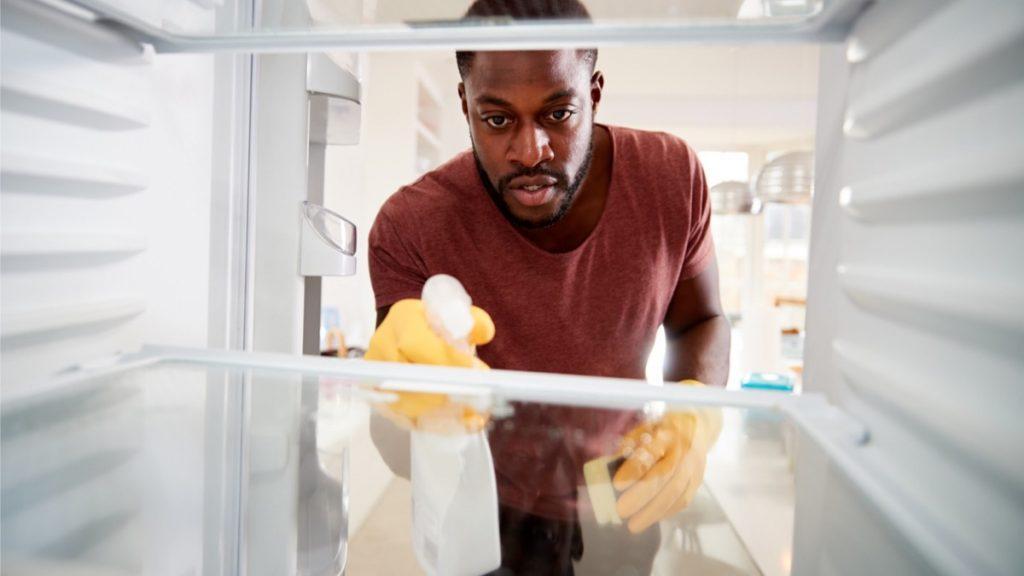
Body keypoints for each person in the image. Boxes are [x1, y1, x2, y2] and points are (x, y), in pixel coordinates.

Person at [365, 1, 729, 573]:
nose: (531, 150)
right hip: (490, 502)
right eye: (498, 119)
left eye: (558, 114)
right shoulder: (412, 225)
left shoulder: (671, 177)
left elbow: (700, 320)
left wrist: (696, 416)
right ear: (464, 105)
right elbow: (399, 444)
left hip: (624, 487)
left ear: (595, 93)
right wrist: (399, 401)